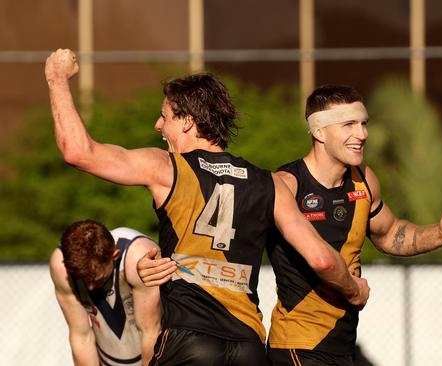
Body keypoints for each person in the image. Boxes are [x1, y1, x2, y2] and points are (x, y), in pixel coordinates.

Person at [45, 49, 369, 366]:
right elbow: (323, 258)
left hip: (189, 340)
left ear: (187, 122)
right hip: (249, 346)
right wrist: (354, 290)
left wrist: (56, 79)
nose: (159, 125)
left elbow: (78, 151)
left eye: (165, 116)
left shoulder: (167, 167)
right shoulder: (270, 183)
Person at [262, 84, 442, 366]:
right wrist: (354, 290)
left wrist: (439, 233)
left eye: (363, 124)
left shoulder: (364, 179)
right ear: (318, 131)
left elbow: (390, 233)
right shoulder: (287, 184)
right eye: (349, 125)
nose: (362, 135)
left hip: (344, 348)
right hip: (297, 346)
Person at [49, 219, 161, 366]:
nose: (89, 287)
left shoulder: (138, 256)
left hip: (161, 356)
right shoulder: (61, 266)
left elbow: (151, 332)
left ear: (114, 256)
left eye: (96, 279)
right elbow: (82, 337)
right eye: (83, 279)